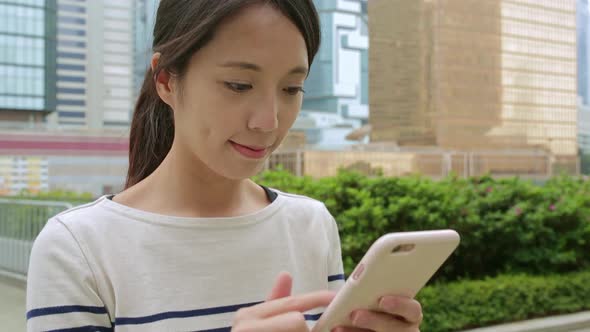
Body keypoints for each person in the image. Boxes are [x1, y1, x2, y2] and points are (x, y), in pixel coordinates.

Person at [25, 1, 423, 331]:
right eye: (238, 85)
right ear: (165, 80)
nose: (268, 121)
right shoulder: (78, 248)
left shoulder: (310, 225)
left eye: (291, 89)